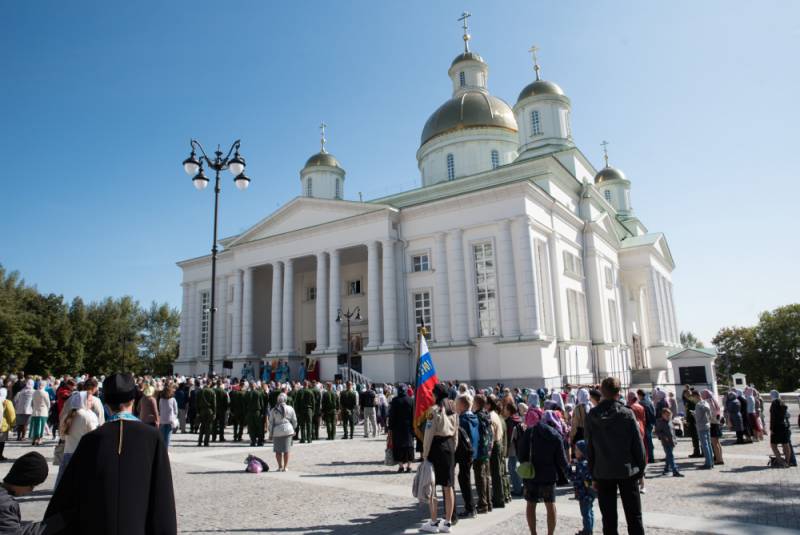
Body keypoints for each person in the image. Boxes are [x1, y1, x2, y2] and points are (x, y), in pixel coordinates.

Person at [45, 373, 177, 534]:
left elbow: (69, 495)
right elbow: (162, 495)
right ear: (134, 401)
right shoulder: (152, 437)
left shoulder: (91, 439)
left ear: (106, 404)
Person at [585, 377, 646, 535]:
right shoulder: (626, 413)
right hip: (627, 469)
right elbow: (637, 444)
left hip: (603, 471)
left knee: (609, 519)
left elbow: (589, 448)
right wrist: (640, 470)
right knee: (634, 517)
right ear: (618, 393)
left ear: (602, 392)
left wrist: (593, 473)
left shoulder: (592, 415)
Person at [518, 410, 569, 535]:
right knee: (550, 505)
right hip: (549, 474)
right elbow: (562, 460)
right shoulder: (555, 434)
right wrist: (568, 473)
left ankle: (533, 533)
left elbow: (521, 455)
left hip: (532, 474)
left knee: (531, 504)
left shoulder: (530, 432)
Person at [419, 383, 458, 534]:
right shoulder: (452, 410)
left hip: (436, 447)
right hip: (448, 447)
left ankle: (434, 521)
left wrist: (425, 453)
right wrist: (453, 448)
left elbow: (428, 434)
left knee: (432, 485)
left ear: (436, 395)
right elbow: (455, 433)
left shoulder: (433, 411)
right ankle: (447, 522)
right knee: (448, 486)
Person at [0, 452, 50, 534]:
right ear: (22, 480)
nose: (31, 491)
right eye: (31, 486)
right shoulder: (5, 505)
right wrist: (48, 526)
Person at [57, 391, 99, 486]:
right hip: (83, 454)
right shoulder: (88, 415)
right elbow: (94, 436)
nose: (91, 402)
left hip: (67, 453)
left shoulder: (67, 415)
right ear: (84, 401)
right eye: (89, 400)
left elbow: (62, 436)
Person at [455, 393, 478, 518]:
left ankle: (470, 508)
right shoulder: (474, 417)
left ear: (462, 405)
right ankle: (470, 507)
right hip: (472, 452)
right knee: (465, 478)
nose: (455, 406)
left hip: (464, 453)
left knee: (464, 480)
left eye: (457, 404)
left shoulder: (462, 420)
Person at [472, 394, 493, 514]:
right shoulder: (486, 414)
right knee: (486, 476)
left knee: (480, 478)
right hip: (487, 449)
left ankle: (483, 504)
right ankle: (488, 502)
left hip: (479, 450)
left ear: (477, 403)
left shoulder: (476, 416)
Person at [570, 440, 596, 535]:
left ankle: (587, 531)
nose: (574, 451)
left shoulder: (582, 464)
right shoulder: (586, 463)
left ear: (583, 451)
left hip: (584, 493)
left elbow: (574, 476)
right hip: (588, 492)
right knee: (589, 510)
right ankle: (589, 528)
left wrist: (572, 467)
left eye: (577, 449)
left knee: (585, 512)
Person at [388, 384, 415, 473]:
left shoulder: (395, 401)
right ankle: (409, 466)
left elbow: (392, 415)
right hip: (409, 428)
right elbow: (413, 415)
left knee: (398, 446)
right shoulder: (411, 400)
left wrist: (390, 427)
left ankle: (401, 466)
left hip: (397, 428)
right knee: (409, 446)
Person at [269, 393, 297, 472]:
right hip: (288, 430)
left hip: (277, 431)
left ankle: (279, 466)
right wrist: (294, 428)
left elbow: (271, 423)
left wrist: (271, 433)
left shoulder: (273, 410)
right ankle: (285, 467)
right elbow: (294, 420)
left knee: (278, 450)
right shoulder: (290, 408)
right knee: (286, 450)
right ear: (286, 399)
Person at [654, 408, 683, 477]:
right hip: (665, 442)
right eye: (666, 415)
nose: (668, 417)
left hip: (672, 442)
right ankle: (675, 471)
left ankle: (666, 469)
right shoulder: (660, 422)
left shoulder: (670, 421)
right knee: (670, 456)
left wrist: (675, 440)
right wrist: (664, 437)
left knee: (668, 456)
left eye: (669, 415)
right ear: (662, 415)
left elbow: (672, 431)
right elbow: (657, 432)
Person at [768, 390, 794, 467]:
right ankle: (787, 462)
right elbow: (787, 415)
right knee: (785, 444)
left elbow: (773, 418)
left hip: (777, 426)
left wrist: (771, 428)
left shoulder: (774, 403)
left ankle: (780, 461)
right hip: (785, 426)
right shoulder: (782, 402)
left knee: (773, 445)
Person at [503, 402, 523, 497]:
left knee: (512, 468)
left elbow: (509, 437)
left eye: (506, 409)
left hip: (512, 447)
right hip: (519, 447)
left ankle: (517, 489)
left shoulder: (510, 421)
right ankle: (520, 487)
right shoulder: (518, 418)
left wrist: (505, 449)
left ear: (509, 410)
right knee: (517, 468)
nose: (504, 410)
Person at [702, 389, 724, 465]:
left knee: (714, 443)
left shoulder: (707, 402)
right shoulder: (714, 400)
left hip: (712, 423)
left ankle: (718, 459)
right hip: (717, 422)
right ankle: (720, 458)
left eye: (702, 394)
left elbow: (709, 414)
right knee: (717, 442)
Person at [694, 392, 714, 470]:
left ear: (696, 396)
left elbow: (698, 417)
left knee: (704, 445)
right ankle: (711, 462)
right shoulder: (706, 402)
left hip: (701, 426)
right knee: (709, 444)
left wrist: (694, 414)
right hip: (707, 424)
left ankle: (708, 463)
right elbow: (709, 414)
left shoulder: (698, 405)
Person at [636, 389, 656, 464]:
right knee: (649, 440)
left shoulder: (641, 403)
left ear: (640, 395)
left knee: (647, 441)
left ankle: (650, 457)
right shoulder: (649, 402)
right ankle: (651, 456)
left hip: (646, 424)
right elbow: (653, 412)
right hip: (650, 423)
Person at [245, 381, 266, 447]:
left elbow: (244, 404)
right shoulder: (259, 393)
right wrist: (263, 413)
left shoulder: (247, 394)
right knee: (259, 427)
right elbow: (262, 404)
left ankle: (253, 441)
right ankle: (260, 441)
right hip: (257, 412)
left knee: (251, 428)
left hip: (249, 412)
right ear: (255, 386)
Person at [30, 381, 50, 446]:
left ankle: (34, 439)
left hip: (35, 411)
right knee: (41, 426)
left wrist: (33, 408)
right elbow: (48, 403)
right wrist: (48, 409)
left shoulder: (34, 392)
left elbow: (32, 403)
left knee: (35, 426)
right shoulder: (45, 393)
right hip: (43, 411)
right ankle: (39, 440)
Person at [196, 382, 216, 447]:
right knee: (208, 427)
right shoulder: (212, 391)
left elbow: (196, 402)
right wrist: (214, 413)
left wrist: (198, 412)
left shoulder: (200, 392)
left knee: (202, 426)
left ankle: (199, 441)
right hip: (209, 410)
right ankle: (206, 442)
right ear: (209, 384)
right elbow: (214, 404)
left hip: (202, 411)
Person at [0, 389, 15, 462]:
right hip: (2, 425)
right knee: (1, 441)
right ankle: (0, 455)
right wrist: (13, 424)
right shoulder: (7, 402)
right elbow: (11, 414)